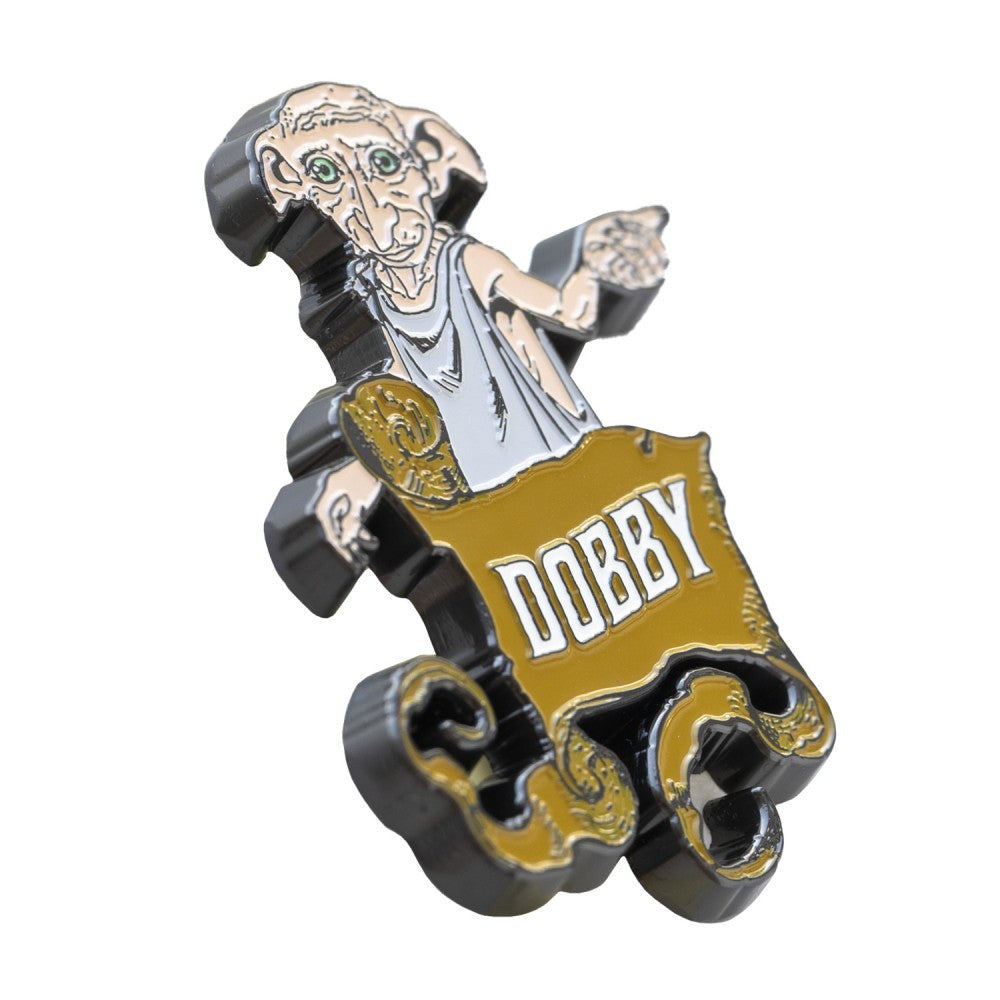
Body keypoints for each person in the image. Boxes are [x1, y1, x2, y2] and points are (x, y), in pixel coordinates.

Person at [250, 82, 668, 567]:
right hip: (488, 503)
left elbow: (569, 313)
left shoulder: (467, 262)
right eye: (328, 174)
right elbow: (403, 397)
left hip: (558, 464)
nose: (373, 202)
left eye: (383, 163)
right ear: (299, 189)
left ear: (426, 164)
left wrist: (598, 258)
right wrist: (361, 478)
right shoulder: (368, 297)